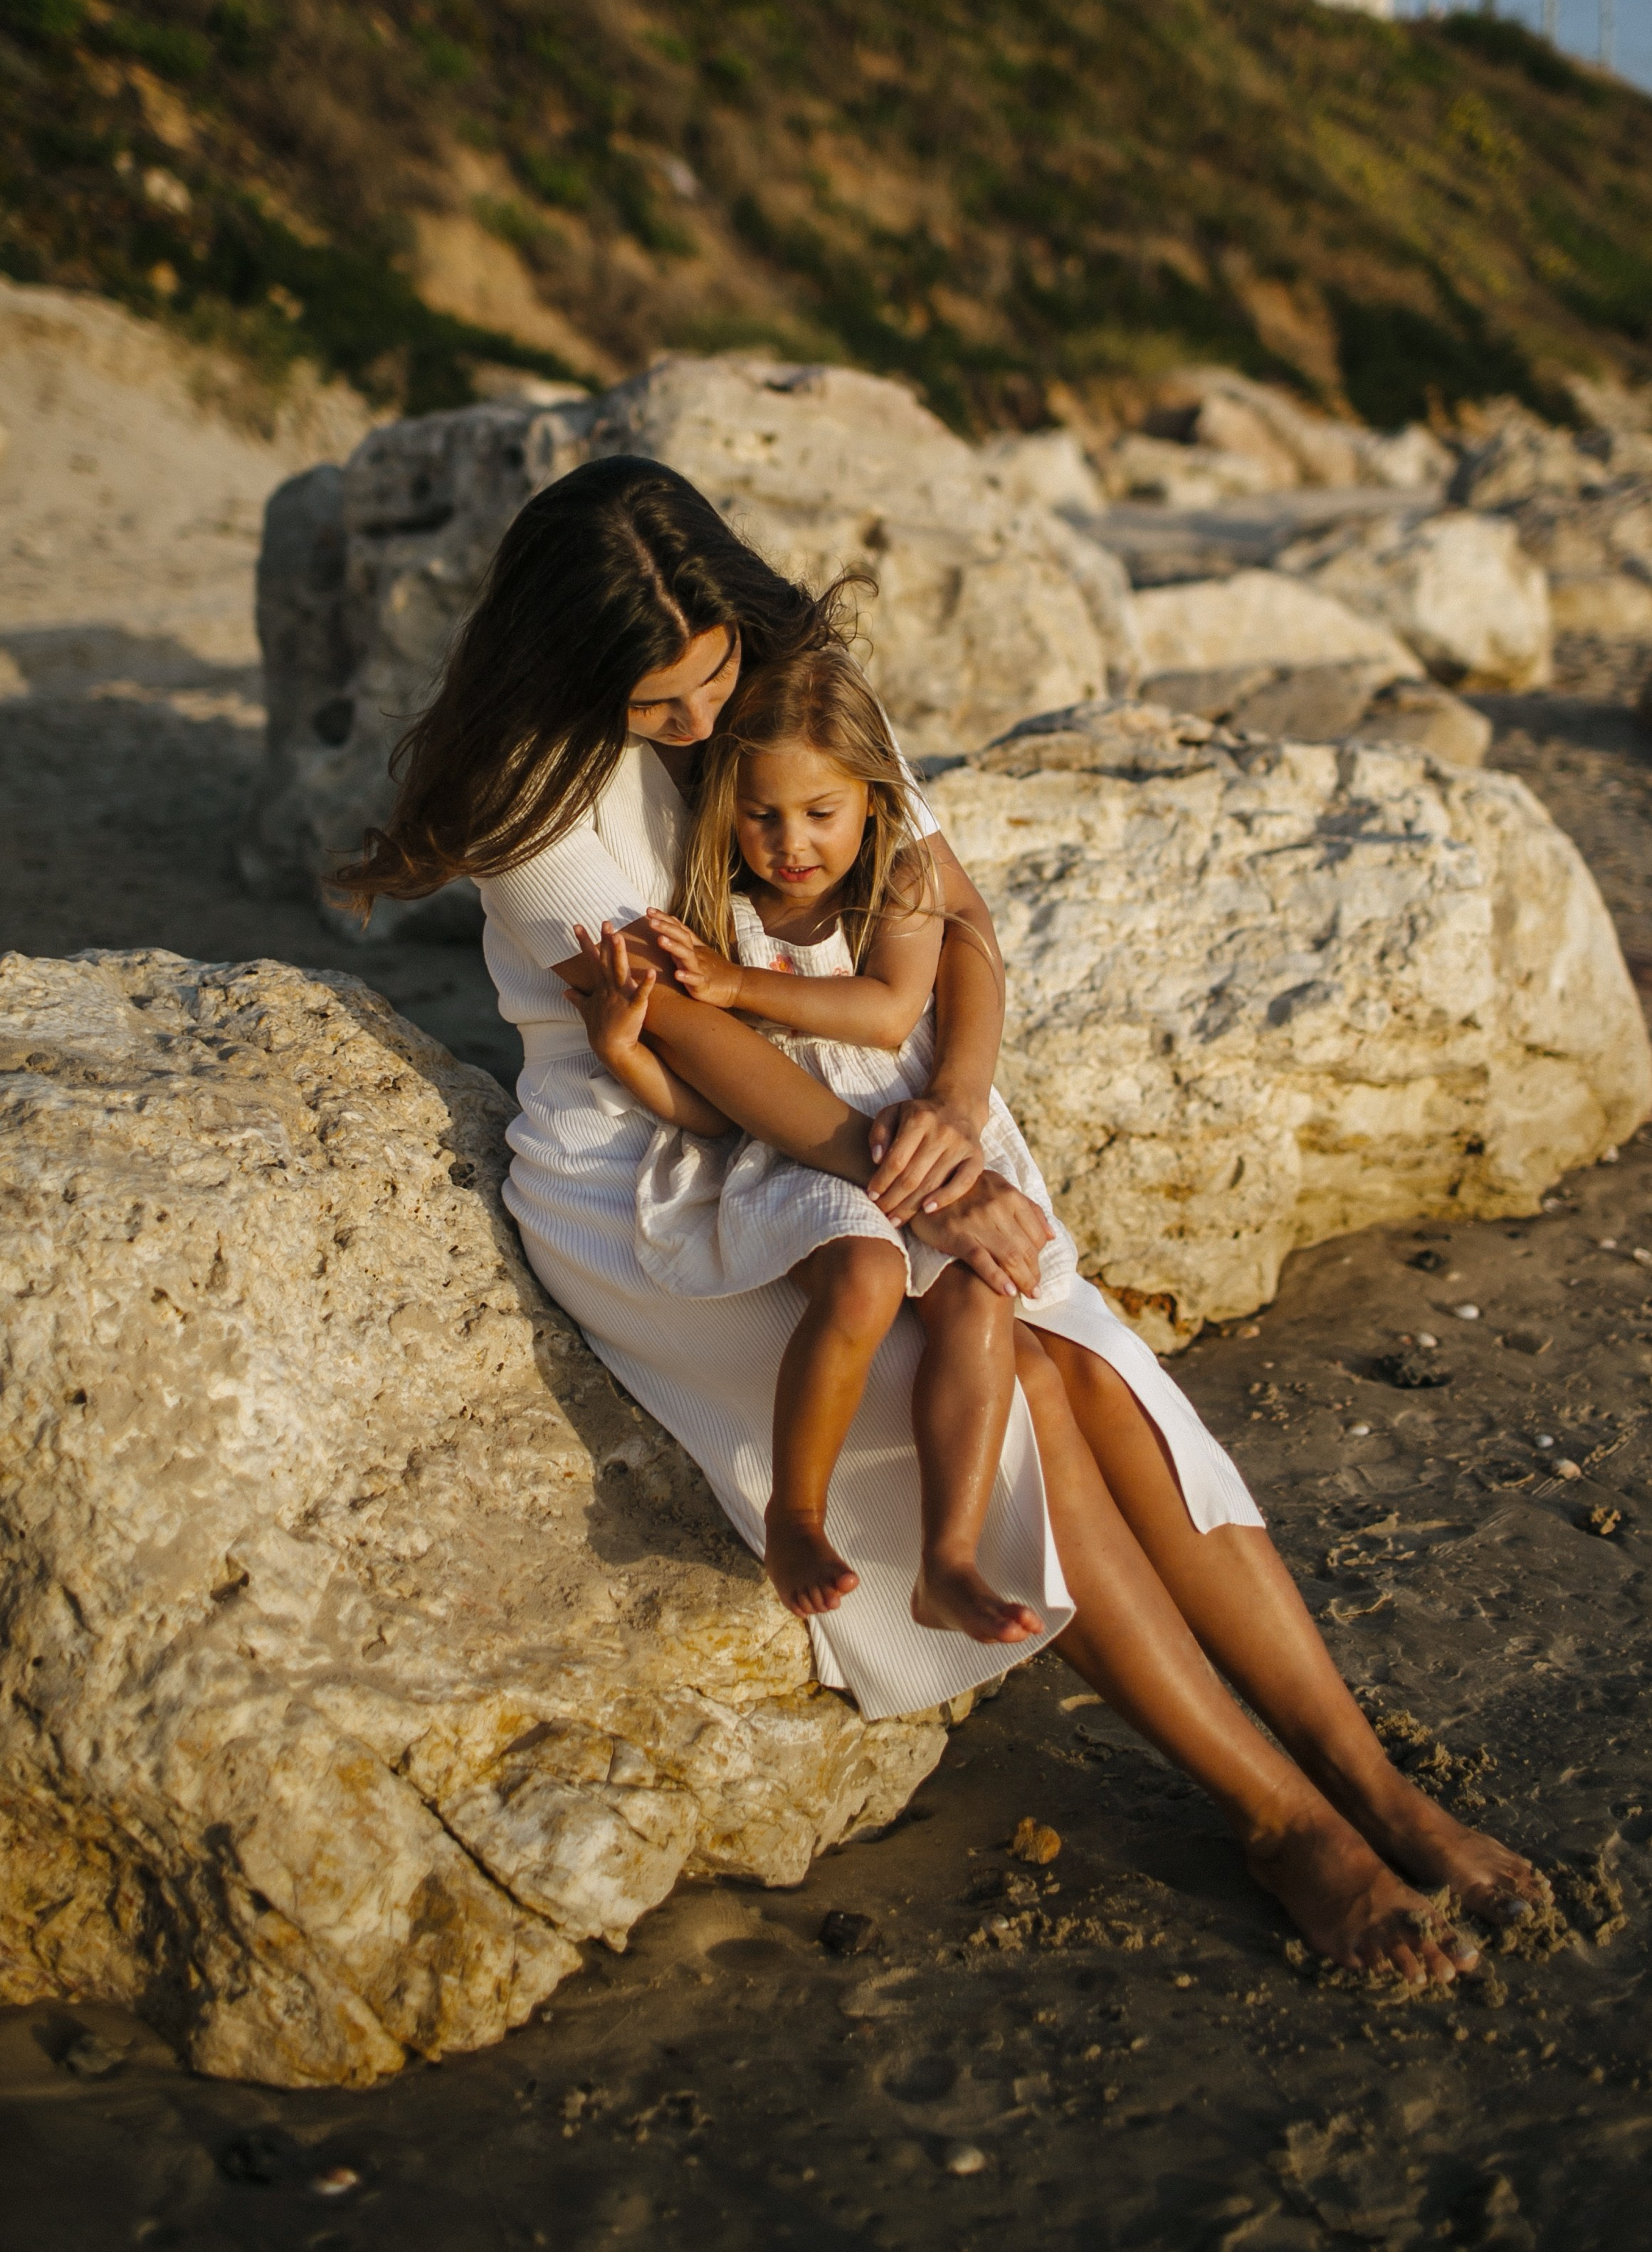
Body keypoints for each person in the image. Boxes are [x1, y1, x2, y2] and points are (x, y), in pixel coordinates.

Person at [340, 452, 1547, 1984]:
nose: (702, 723)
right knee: (1020, 1388)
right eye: (658, 707)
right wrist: (891, 1164)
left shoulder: (796, 693)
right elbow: (693, 1047)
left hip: (879, 1089)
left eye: (713, 675)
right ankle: (1280, 1819)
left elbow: (956, 916)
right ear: (567, 671)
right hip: (667, 1157)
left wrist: (960, 1117)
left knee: (1107, 1378)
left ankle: (1373, 1785)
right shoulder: (536, 794)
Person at [572, 642, 1075, 1643]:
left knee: (979, 1292)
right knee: (861, 1275)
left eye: (819, 813)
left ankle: (949, 1556)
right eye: (760, 814)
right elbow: (717, 1113)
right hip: (791, 1147)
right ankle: (794, 1513)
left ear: (870, 798)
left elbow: (890, 1011)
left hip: (910, 1125)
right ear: (725, 806)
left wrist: (734, 985)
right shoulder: (713, 907)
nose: (789, 842)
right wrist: (627, 1054)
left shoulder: (894, 879)